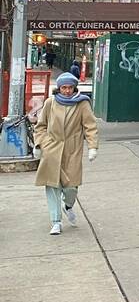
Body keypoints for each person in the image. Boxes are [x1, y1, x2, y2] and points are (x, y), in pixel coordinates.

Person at [33, 73, 99, 236]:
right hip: (52, 150)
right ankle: (56, 221)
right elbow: (41, 126)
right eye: (64, 87)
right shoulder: (50, 103)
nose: (67, 91)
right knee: (52, 186)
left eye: (70, 87)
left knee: (71, 188)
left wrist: (92, 147)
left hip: (72, 150)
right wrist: (40, 144)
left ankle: (68, 206)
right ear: (59, 88)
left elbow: (90, 126)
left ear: (74, 87)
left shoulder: (82, 104)